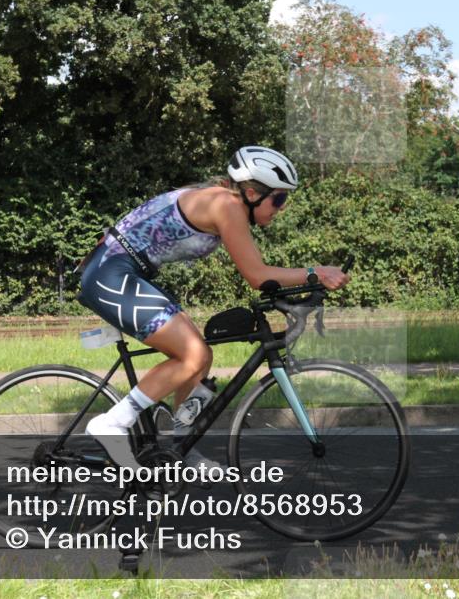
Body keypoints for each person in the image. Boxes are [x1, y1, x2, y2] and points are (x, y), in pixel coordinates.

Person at [76, 146, 351, 472]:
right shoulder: (226, 205)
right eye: (278, 199)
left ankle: (181, 449)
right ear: (251, 193)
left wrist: (307, 282)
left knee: (200, 359)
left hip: (122, 272)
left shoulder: (223, 200)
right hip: (112, 274)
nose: (282, 208)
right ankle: (112, 422)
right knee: (193, 354)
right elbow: (257, 275)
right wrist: (314, 273)